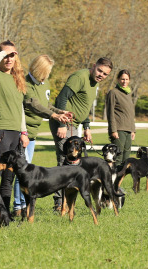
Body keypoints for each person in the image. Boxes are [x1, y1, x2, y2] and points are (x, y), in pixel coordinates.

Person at [49, 57, 113, 211]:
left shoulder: (94, 83)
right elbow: (62, 98)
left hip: (75, 124)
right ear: (94, 66)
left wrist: (86, 127)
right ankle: (60, 203)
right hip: (65, 122)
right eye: (99, 71)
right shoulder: (80, 77)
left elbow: (83, 105)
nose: (101, 75)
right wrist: (62, 123)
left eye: (105, 74)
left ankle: (68, 200)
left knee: (74, 162)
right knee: (65, 162)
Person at [13, 55, 71, 216]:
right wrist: (53, 116)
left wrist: (60, 112)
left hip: (33, 133)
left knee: (26, 168)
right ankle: (19, 206)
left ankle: (23, 204)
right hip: (22, 132)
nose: (48, 75)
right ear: (40, 70)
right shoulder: (26, 84)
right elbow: (34, 104)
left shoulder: (45, 84)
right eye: (47, 71)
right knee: (22, 170)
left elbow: (46, 105)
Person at [0, 40, 29, 212]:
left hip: (15, 133)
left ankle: (4, 214)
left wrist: (23, 132)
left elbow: (20, 109)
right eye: (5, 55)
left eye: (12, 55)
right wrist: (3, 53)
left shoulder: (17, 79)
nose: (9, 59)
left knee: (9, 176)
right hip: (0, 131)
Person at [105, 69, 136, 165]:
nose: (124, 81)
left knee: (126, 159)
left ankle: (119, 179)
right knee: (118, 158)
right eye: (122, 79)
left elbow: (130, 113)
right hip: (119, 129)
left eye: (127, 79)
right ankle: (113, 179)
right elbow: (110, 113)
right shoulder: (113, 93)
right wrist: (113, 130)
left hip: (128, 130)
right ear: (118, 79)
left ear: (129, 80)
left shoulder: (128, 93)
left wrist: (133, 130)